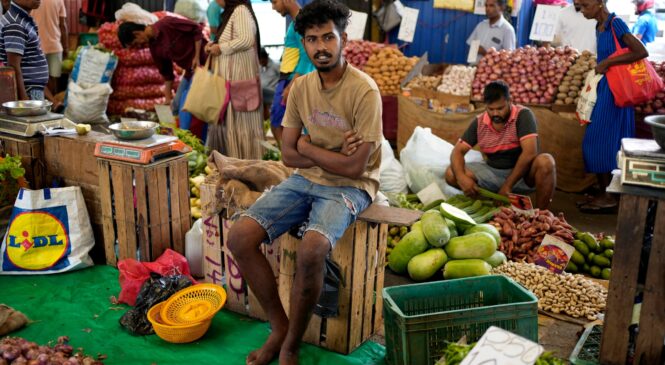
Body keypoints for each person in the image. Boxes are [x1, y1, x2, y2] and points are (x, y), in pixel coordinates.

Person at [226, 0, 382, 363]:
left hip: (352, 188)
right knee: (239, 237)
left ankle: (292, 343)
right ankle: (278, 327)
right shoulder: (300, 88)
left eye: (329, 37)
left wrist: (308, 147)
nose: (321, 47)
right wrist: (322, 153)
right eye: (312, 39)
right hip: (305, 179)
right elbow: (288, 156)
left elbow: (356, 167)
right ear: (304, 43)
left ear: (343, 38)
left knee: (313, 249)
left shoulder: (364, 91)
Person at [576, 0, 648, 213]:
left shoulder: (616, 23)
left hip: (616, 92)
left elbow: (641, 51)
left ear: (599, 3)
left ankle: (608, 196)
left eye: (585, 5)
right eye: (579, 6)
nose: (582, 10)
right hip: (605, 88)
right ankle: (605, 192)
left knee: (597, 140)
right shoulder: (599, 26)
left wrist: (607, 63)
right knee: (602, 141)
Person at [445, 81, 556, 210]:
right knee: (451, 173)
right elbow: (457, 152)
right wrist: (461, 178)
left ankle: (541, 215)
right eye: (491, 109)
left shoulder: (523, 115)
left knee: (546, 161)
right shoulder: (479, 122)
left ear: (510, 101)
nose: (495, 114)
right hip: (492, 173)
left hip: (522, 175)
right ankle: (488, 205)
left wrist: (507, 186)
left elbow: (530, 153)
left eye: (500, 108)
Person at [117, 17, 206, 139]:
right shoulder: (154, 47)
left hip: (205, 65)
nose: (140, 46)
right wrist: (167, 98)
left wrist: (196, 56)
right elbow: (167, 73)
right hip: (190, 72)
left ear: (137, 33)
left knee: (186, 107)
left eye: (136, 43)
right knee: (174, 106)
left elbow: (196, 29)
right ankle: (176, 138)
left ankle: (190, 139)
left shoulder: (166, 24)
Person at [205, 0, 264, 159]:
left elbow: (246, 39)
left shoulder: (240, 11)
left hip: (238, 81)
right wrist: (213, 45)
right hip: (231, 81)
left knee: (239, 123)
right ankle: (231, 164)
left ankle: (241, 165)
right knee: (232, 123)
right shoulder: (230, 14)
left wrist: (220, 48)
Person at [269, 0, 315, 145]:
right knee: (279, 122)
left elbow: (307, 56)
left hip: (292, 79)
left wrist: (292, 85)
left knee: (280, 123)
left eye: (274, 2)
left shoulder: (301, 23)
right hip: (289, 78)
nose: (273, 7)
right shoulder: (296, 21)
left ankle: (289, 162)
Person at [0, 0, 50, 101]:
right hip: (28, 93)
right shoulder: (15, 24)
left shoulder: (21, 19)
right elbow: (13, 66)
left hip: (30, 91)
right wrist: (24, 101)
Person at [31, 0, 68, 95]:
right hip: (55, 46)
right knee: (54, 80)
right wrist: (66, 48)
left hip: (36, 46)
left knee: (39, 80)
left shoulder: (31, 1)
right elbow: (63, 25)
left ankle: (48, 104)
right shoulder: (59, 1)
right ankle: (54, 104)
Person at [259, 47, 280, 121]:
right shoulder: (259, 67)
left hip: (273, 93)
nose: (261, 62)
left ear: (265, 57)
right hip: (263, 93)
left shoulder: (276, 65)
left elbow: (283, 78)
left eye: (261, 60)